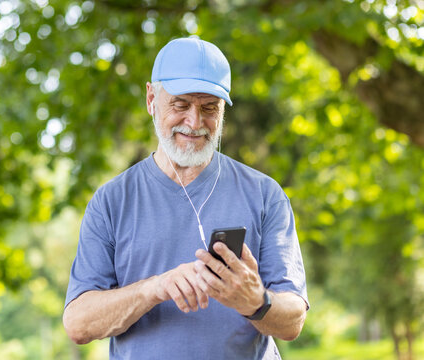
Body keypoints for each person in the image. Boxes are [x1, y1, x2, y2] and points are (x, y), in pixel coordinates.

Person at [63, 37, 309, 359]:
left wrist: (255, 301)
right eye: (180, 105)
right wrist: (154, 288)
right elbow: (79, 324)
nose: (194, 123)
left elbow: (292, 320)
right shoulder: (112, 201)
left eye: (209, 108)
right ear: (152, 98)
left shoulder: (265, 195)